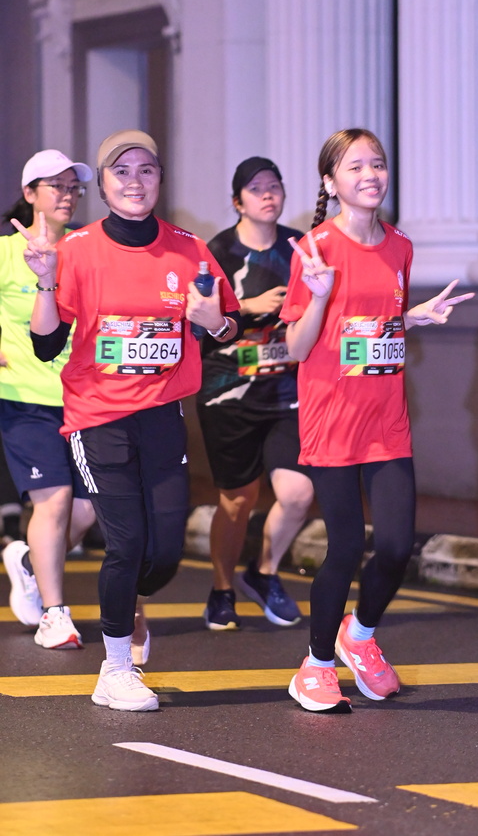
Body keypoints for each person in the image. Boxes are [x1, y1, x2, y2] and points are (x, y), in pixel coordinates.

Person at [15, 130, 241, 711]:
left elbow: (227, 328)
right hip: (99, 417)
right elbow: (46, 345)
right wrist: (45, 279)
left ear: (160, 178)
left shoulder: (189, 249)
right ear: (104, 184)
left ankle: (128, 605)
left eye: (146, 170)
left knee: (163, 553)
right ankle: (114, 670)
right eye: (121, 171)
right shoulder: (77, 249)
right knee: (127, 542)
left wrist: (213, 322)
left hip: (163, 414)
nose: (134, 181)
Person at [281, 128, 474, 712]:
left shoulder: (400, 246)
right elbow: (297, 347)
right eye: (355, 166)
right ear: (330, 181)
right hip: (332, 417)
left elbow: (374, 324)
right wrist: (318, 295)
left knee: (395, 545)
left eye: (378, 164)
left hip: (386, 417)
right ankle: (315, 666)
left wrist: (413, 317)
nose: (370, 175)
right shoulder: (315, 248)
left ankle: (359, 636)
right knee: (344, 548)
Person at [198, 157, 314, 630]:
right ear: (237, 201)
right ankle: (221, 589)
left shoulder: (301, 247)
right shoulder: (217, 252)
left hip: (287, 390)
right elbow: (197, 320)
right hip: (228, 392)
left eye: (274, 186)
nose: (268, 194)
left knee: (298, 493)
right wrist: (247, 306)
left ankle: (263, 573)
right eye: (256, 188)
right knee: (237, 500)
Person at [0, 149, 96, 649]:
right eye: (55, 185)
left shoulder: (84, 249)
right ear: (29, 193)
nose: (67, 194)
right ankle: (55, 615)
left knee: (86, 511)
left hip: (85, 399)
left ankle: (27, 562)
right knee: (54, 501)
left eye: (73, 186)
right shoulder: (4, 252)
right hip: (24, 399)